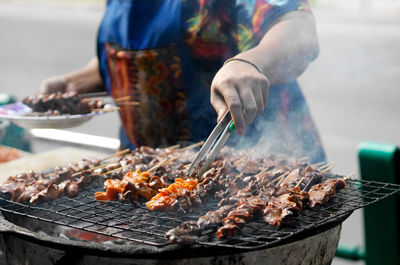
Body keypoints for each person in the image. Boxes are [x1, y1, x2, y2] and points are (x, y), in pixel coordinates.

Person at [40, 0, 326, 163]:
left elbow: (298, 29)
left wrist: (249, 61)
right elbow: (134, 56)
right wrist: (74, 84)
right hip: (147, 172)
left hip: (252, 167)